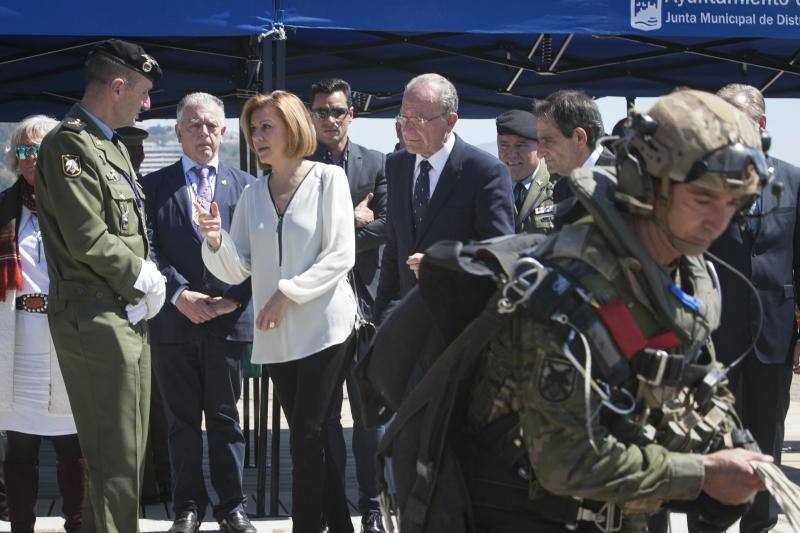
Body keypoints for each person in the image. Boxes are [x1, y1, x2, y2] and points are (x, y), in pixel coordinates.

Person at [374, 89, 777, 532]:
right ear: (649, 186)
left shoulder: (680, 275)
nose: (718, 221)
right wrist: (702, 475)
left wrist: (727, 463)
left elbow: (690, 392)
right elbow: (566, 462)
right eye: (703, 199)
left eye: (732, 203)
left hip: (611, 513)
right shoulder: (570, 288)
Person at [197, 90, 357, 533]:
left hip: (327, 328)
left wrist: (287, 292)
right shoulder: (252, 194)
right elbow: (238, 266)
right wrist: (214, 240)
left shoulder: (328, 179)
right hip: (277, 335)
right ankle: (341, 524)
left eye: (266, 127)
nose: (257, 136)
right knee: (316, 434)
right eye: (253, 129)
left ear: (293, 128)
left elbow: (341, 254)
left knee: (306, 435)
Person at [34, 39, 167, 532]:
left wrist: (141, 282)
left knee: (127, 460)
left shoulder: (109, 144)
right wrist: (141, 273)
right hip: (93, 316)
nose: (147, 104)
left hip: (122, 314)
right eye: (144, 93)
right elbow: (88, 235)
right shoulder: (69, 145)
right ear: (117, 87)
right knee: (115, 459)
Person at [143, 93, 256, 533]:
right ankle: (187, 506)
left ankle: (232, 506)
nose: (204, 133)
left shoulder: (248, 186)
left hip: (229, 322)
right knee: (181, 421)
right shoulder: (152, 187)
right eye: (194, 125)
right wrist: (178, 295)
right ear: (178, 132)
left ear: (225, 132)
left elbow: (256, 252)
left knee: (226, 419)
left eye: (212, 125)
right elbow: (147, 249)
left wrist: (235, 299)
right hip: (174, 322)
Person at [706, 83, 800, 533]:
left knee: (766, 438)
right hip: (714, 338)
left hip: (773, 337)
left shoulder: (794, 181)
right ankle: (710, 521)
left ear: (761, 124)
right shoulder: (698, 181)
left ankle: (759, 524)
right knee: (710, 437)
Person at [308, 77, 388, 533]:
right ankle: (330, 504)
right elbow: (301, 241)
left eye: (338, 111)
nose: (330, 120)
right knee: (323, 418)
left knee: (368, 417)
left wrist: (340, 236)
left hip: (368, 309)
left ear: (351, 115)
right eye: (321, 112)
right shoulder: (298, 166)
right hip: (319, 310)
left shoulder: (378, 163)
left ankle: (373, 506)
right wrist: (351, 220)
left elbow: (390, 226)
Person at [0, 115, 84, 533]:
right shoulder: (2, 207)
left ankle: (78, 523)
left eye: (39, 149)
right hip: (18, 337)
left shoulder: (77, 204)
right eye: (23, 150)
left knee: (74, 441)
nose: (31, 158)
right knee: (19, 443)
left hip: (68, 334)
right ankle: (21, 527)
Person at [373, 73, 514, 322]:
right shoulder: (396, 165)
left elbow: (501, 254)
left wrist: (445, 264)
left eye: (418, 118)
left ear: (450, 122)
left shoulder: (485, 172)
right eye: (403, 117)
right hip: (407, 320)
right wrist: (379, 320)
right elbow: (394, 249)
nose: (407, 127)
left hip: (460, 319)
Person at [533, 90, 614, 226]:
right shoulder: (562, 188)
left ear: (579, 137)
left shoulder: (621, 180)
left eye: (548, 140)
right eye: (539, 142)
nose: (539, 153)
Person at [495, 109, 553, 234]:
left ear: (540, 147)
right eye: (504, 145)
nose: (512, 155)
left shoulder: (558, 186)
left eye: (520, 145)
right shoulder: (490, 188)